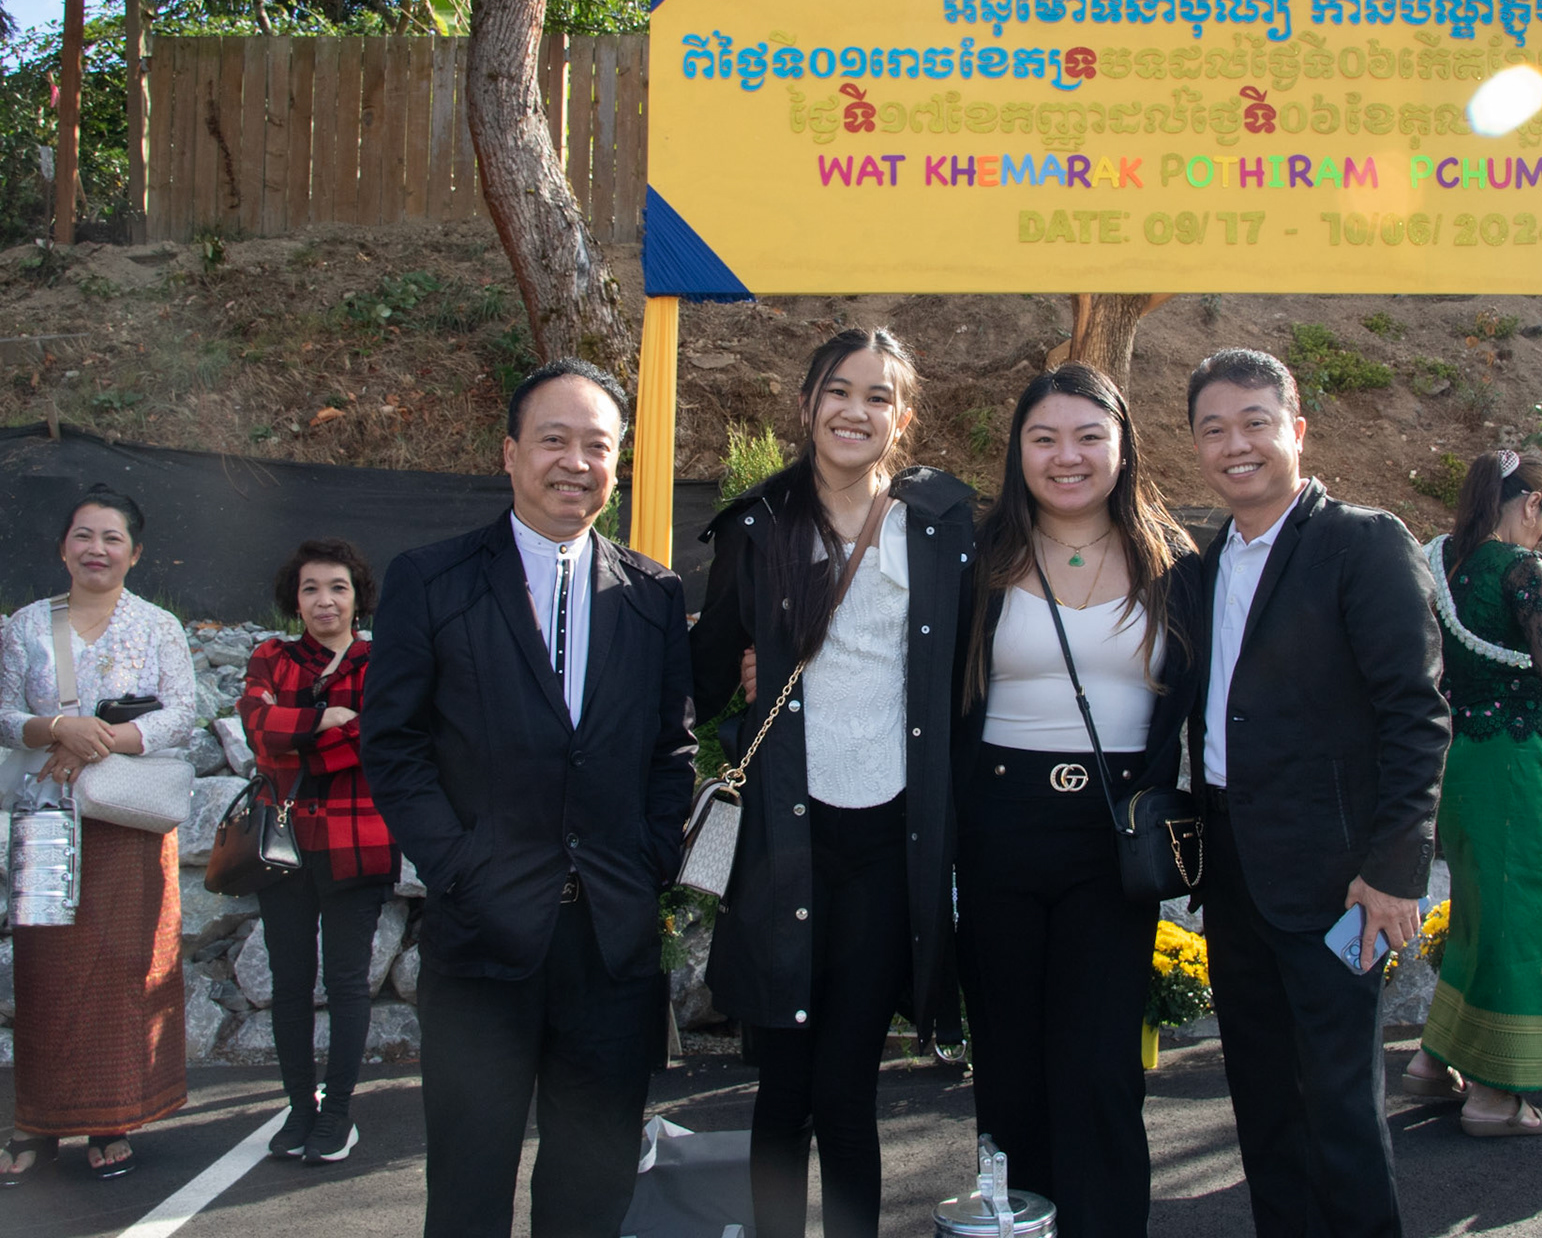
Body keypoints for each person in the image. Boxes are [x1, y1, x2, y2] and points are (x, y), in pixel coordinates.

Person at [359, 357, 698, 1238]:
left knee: (593, 1190)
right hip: (483, 938)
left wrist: (650, 860)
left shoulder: (654, 596)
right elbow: (392, 745)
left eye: (598, 446)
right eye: (554, 440)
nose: (575, 463)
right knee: (468, 1190)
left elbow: (671, 750)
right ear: (510, 453)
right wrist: (458, 865)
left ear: (617, 463)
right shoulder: (432, 580)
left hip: (611, 945)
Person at [691, 328, 973, 1238]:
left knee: (848, 1086)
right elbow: (701, 679)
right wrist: (752, 671)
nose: (857, 411)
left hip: (891, 840)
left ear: (903, 417)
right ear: (808, 403)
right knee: (784, 1085)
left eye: (879, 396)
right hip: (787, 839)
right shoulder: (758, 526)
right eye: (839, 391)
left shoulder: (939, 528)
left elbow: (972, 670)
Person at [1184, 349, 1448, 1238]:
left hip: (1336, 877)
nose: (1236, 445)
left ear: (1296, 430)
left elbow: (1417, 713)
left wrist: (1395, 870)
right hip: (1233, 869)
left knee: (1339, 1107)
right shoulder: (1206, 561)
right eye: (1214, 429)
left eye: (1255, 423)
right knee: (1262, 1102)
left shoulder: (1362, 543)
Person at [954, 363, 1201, 1237]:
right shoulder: (975, 557)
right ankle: (1017, 1224)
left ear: (1123, 447)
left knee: (1101, 1067)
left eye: (1090, 436)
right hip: (998, 830)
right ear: (1017, 451)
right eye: (1045, 438)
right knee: (1010, 1065)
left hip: (1114, 837)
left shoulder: (1176, 562)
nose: (1068, 457)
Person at [0, 486, 196, 1184]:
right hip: (46, 816)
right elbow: (1, 711)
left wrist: (101, 739)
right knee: (43, 969)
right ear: (63, 547)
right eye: (84, 536)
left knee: (122, 966)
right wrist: (57, 727)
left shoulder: (158, 627)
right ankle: (37, 1117)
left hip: (125, 820)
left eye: (112, 539)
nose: (96, 549)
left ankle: (113, 1114)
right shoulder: (26, 625)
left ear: (135, 554)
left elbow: (182, 714)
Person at [1403, 451, 1542, 1136]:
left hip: (1462, 760)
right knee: (1521, 914)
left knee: (1478, 912)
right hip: (1514, 759)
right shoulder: (1522, 569)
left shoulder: (1446, 560)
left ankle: (1434, 1059)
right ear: (1531, 504)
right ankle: (1497, 1095)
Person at [238, 538, 398, 1165]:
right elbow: (257, 732)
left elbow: (373, 737)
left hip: (357, 840)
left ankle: (337, 1114)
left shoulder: (381, 661)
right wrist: (325, 720)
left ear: (358, 597)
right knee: (290, 982)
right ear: (295, 599)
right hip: (283, 846)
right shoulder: (270, 656)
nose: (324, 600)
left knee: (347, 982)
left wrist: (298, 734)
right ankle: (299, 1109)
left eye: (338, 587)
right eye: (311, 588)